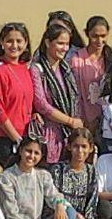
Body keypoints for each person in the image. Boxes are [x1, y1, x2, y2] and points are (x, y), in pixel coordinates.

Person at [30, 23, 87, 180]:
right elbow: (41, 104)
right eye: (60, 43)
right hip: (48, 135)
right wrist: (69, 121)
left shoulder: (66, 69)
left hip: (67, 136)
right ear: (48, 42)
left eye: (67, 44)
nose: (64, 48)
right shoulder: (37, 69)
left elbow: (75, 99)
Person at [0, 22, 36, 169]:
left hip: (25, 135)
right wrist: (16, 138)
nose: (14, 45)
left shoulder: (26, 68)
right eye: (9, 41)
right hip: (4, 136)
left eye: (19, 41)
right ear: (2, 43)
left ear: (25, 44)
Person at [53, 129, 105, 219]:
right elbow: (53, 198)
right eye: (76, 146)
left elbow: (91, 203)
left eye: (84, 147)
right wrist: (77, 216)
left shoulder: (91, 171)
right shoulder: (58, 170)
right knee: (68, 214)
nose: (80, 151)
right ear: (69, 147)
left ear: (90, 149)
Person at [68, 15, 112, 133]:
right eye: (95, 36)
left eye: (103, 36)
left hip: (108, 122)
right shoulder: (76, 60)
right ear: (87, 34)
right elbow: (73, 93)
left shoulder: (111, 59)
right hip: (82, 120)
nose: (99, 41)